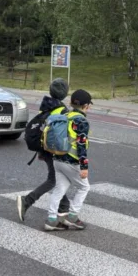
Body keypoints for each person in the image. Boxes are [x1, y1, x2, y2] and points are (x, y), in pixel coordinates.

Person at [16, 78, 71, 222]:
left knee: (58, 178)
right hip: (55, 150)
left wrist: (41, 151)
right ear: (65, 93)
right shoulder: (62, 110)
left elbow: (43, 130)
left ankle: (64, 206)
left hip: (45, 148)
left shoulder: (47, 106)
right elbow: (59, 135)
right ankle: (27, 201)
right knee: (54, 179)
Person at [46, 89, 93, 230]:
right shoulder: (81, 120)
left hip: (57, 158)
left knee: (60, 189)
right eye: (89, 104)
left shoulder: (64, 115)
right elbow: (81, 144)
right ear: (86, 106)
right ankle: (72, 216)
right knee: (84, 187)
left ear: (71, 103)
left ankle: (51, 219)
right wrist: (84, 166)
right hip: (71, 160)